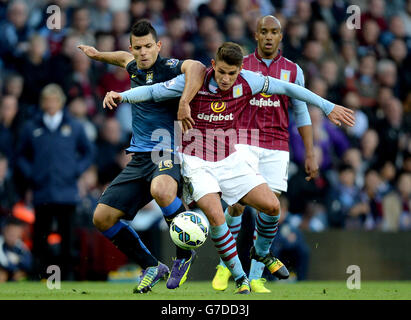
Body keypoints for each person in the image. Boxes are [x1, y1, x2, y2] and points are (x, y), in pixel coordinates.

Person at [104, 42, 355, 293]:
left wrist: (326, 105)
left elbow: (289, 88)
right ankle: (240, 278)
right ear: (213, 65)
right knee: (216, 216)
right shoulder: (196, 81)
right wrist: (121, 96)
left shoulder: (250, 81)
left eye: (231, 73)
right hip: (197, 162)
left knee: (272, 206)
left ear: (240, 70)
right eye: (222, 71)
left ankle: (261, 253)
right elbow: (153, 91)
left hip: (230, 160)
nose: (226, 78)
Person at [78, 20, 206, 293]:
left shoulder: (169, 67)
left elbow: (196, 67)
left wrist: (184, 102)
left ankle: (183, 256)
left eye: (149, 46)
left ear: (158, 46)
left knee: (161, 189)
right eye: (138, 48)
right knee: (102, 218)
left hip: (167, 151)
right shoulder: (134, 65)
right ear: (132, 48)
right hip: (139, 158)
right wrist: (96, 54)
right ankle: (151, 265)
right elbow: (122, 58)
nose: (143, 52)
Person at [16, 83, 94, 280]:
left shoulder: (75, 126)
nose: (50, 104)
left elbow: (89, 152)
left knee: (68, 236)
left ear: (60, 102)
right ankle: (38, 274)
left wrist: (76, 170)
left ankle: (66, 276)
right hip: (42, 189)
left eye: (53, 100)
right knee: (40, 236)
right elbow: (21, 155)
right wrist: (31, 173)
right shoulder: (31, 126)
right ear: (42, 103)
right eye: (46, 100)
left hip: (67, 191)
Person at [0, 216, 32, 282]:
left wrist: (17, 266)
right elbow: (4, 263)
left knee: (21, 274)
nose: (13, 237)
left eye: (16, 234)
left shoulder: (20, 245)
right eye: (11, 234)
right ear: (4, 231)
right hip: (5, 272)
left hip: (13, 273)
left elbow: (28, 263)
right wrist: (16, 265)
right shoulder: (1, 242)